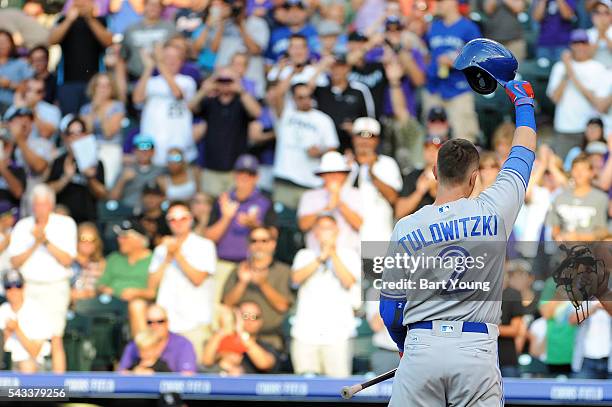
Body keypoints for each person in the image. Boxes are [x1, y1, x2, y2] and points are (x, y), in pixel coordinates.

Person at [380, 78, 537, 405]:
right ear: (474, 177)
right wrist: (524, 104)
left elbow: (390, 308)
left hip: (421, 345)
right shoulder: (494, 210)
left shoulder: (405, 227)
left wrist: (402, 344)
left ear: (435, 173)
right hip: (475, 348)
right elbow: (522, 155)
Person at [8, 184, 78, 373]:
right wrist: (35, 243)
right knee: (28, 335)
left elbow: (67, 259)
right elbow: (14, 262)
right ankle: (30, 386)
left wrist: (44, 241)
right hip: (28, 287)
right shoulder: (23, 226)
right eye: (36, 204)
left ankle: (57, 387)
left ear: (51, 205)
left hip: (55, 287)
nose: (39, 209)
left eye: (43, 204)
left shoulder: (65, 224)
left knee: (55, 336)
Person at [145, 202, 217, 360]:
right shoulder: (161, 250)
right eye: (173, 219)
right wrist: (167, 258)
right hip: (165, 324)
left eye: (183, 218)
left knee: (191, 375)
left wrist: (177, 254)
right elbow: (151, 287)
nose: (178, 223)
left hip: (195, 322)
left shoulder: (205, 246)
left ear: (191, 219)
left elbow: (197, 279)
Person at [291, 214, 360, 377]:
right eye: (321, 228)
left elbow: (349, 281)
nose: (325, 232)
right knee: (304, 386)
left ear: (337, 231)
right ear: (315, 232)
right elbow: (295, 278)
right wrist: (321, 257)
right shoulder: (304, 255)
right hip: (305, 333)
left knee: (338, 388)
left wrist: (332, 254)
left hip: (339, 334)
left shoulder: (350, 255)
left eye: (329, 228)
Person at [188, 66, 262, 198]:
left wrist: (241, 90)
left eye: (229, 80)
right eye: (221, 80)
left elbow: (257, 112)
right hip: (211, 167)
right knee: (209, 207)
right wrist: (206, 89)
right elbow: (191, 107)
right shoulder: (210, 102)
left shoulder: (241, 102)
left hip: (235, 170)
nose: (225, 84)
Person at [222, 226, 294, 351]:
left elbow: (283, 306)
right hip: (238, 338)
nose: (259, 245)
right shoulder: (238, 270)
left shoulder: (284, 271)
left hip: (270, 339)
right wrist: (242, 283)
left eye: (264, 241)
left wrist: (263, 284)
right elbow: (227, 303)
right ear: (248, 245)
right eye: (254, 241)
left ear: (273, 244)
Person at [271, 82, 339, 209]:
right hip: (285, 179)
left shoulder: (323, 120)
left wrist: (320, 152)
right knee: (282, 224)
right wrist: (293, 70)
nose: (306, 100)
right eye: (301, 97)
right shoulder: (286, 113)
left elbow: (333, 148)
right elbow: (278, 94)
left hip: (310, 183)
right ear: (293, 99)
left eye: (309, 96)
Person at [422, 0, 481, 141]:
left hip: (459, 90)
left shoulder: (468, 27)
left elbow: (479, 57)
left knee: (463, 139)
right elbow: (425, 54)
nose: (438, 4)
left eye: (442, 1)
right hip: (434, 89)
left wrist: (456, 61)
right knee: (433, 140)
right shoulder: (433, 27)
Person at [546, 29, 609, 159]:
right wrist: (567, 72)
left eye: (583, 42)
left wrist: (571, 71)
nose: (580, 46)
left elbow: (599, 104)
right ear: (571, 45)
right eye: (576, 42)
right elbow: (555, 98)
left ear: (589, 45)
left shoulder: (598, 68)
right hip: (564, 128)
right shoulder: (560, 67)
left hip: (589, 130)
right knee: (561, 169)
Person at [133, 41, 197, 167]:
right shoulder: (151, 81)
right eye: (167, 57)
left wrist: (159, 63)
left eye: (175, 58)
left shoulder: (187, 81)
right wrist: (149, 68)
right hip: (153, 149)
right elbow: (137, 99)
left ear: (182, 61)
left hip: (178, 148)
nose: (171, 61)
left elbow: (177, 93)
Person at [48, 0, 113, 114]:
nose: (82, 3)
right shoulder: (63, 20)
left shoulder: (101, 20)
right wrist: (69, 19)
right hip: (67, 82)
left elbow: (108, 41)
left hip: (94, 83)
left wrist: (90, 19)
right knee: (69, 118)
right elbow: (52, 40)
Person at [347, 117, 402, 242]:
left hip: (377, 234)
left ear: (377, 140)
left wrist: (372, 172)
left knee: (374, 262)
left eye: (370, 136)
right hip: (346, 237)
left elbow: (393, 198)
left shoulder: (387, 163)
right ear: (353, 138)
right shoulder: (342, 163)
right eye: (360, 136)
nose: (364, 141)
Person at [298, 151, 362, 253]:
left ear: (345, 175)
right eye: (328, 173)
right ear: (322, 175)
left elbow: (359, 224)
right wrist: (326, 209)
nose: (333, 176)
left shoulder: (356, 194)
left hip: (348, 254)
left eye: (338, 172)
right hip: (316, 254)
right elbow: (303, 225)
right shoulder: (309, 196)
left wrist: (339, 202)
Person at [46, 117, 107, 224]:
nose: (75, 137)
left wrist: (90, 177)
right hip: (62, 219)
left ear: (85, 135)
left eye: (79, 133)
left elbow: (103, 195)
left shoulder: (95, 162)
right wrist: (65, 178)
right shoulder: (59, 161)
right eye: (71, 133)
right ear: (66, 137)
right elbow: (48, 191)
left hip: (88, 220)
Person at [97, 219, 153, 337]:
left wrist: (137, 293)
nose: (119, 240)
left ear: (139, 240)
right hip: (114, 304)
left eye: (125, 237)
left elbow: (156, 291)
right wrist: (115, 291)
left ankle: (141, 350)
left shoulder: (153, 260)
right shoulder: (114, 258)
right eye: (119, 237)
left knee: (137, 305)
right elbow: (100, 285)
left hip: (145, 305)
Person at [0, 269, 62, 373]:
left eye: (18, 286)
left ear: (24, 287)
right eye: (9, 287)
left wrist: (17, 329)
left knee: (26, 366)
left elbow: (35, 351)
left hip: (33, 364)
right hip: (5, 363)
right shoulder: (2, 310)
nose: (14, 290)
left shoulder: (36, 310)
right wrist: (7, 332)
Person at [310, 54, 375, 152]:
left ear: (348, 69)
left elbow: (370, 122)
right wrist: (321, 67)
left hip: (352, 146)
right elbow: (305, 91)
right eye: (333, 67)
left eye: (341, 67)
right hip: (325, 148)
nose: (337, 71)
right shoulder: (321, 90)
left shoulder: (359, 90)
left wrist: (356, 129)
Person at [202, 302, 279, 374]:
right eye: (245, 316)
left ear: (261, 321)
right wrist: (225, 328)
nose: (249, 320)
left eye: (254, 317)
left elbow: (264, 364)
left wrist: (242, 334)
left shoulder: (266, 346)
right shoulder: (222, 340)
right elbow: (206, 361)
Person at [118, 304, 197, 374]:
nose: (155, 326)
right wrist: (135, 374)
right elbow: (122, 374)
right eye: (150, 322)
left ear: (167, 323)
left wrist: (155, 377)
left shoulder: (183, 344)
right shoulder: (135, 344)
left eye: (160, 321)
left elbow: (187, 377)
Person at [3, 106, 54, 215]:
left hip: (31, 206)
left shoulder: (42, 144)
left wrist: (19, 139)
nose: (24, 123)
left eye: (29, 120)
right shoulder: (3, 145)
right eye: (19, 119)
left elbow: (39, 166)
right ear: (8, 123)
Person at [79, 72, 126, 188]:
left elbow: (108, 132)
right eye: (100, 86)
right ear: (94, 88)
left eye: (107, 86)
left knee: (106, 182)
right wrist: (93, 109)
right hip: (90, 148)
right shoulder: (86, 109)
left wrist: (101, 110)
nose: (103, 89)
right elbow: (86, 133)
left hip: (110, 148)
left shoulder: (118, 106)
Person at [547, 153, 608, 242]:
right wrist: (558, 237)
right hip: (564, 252)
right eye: (576, 169)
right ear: (571, 171)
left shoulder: (601, 198)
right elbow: (555, 228)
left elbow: (603, 231)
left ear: (591, 173)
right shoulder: (560, 197)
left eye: (583, 169)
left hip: (590, 252)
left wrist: (580, 237)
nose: (579, 173)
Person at [119, 0, 176, 81]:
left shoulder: (171, 28)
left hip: (163, 79)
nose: (153, 8)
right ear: (144, 6)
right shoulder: (130, 29)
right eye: (150, 4)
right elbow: (122, 59)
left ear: (162, 8)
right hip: (136, 77)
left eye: (157, 5)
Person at [109, 134, 165, 213]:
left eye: (147, 149)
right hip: (127, 211)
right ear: (134, 151)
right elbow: (112, 198)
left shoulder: (160, 171)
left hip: (151, 213)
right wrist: (122, 180)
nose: (144, 152)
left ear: (153, 151)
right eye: (140, 149)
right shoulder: (126, 170)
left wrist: (162, 186)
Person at [395, 133, 445, 219]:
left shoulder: (451, 176)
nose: (431, 152)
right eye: (428, 148)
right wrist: (419, 192)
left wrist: (434, 191)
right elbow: (399, 212)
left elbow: (455, 211)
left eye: (436, 149)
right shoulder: (412, 175)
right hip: (417, 229)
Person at [0, 30, 33, 115]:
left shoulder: (21, 64)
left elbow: (31, 89)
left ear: (11, 44)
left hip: (13, 109)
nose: (2, 45)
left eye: (5, 41)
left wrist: (10, 84)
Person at [71, 222, 106, 302]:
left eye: (92, 239)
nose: (87, 243)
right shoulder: (68, 261)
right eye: (83, 239)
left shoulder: (102, 263)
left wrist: (92, 293)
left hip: (92, 305)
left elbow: (104, 288)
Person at [587, 0, 612, 68]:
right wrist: (599, 34)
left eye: (606, 13)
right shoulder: (588, 33)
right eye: (597, 12)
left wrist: (604, 34)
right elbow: (586, 58)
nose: (601, 16)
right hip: (594, 73)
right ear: (593, 16)